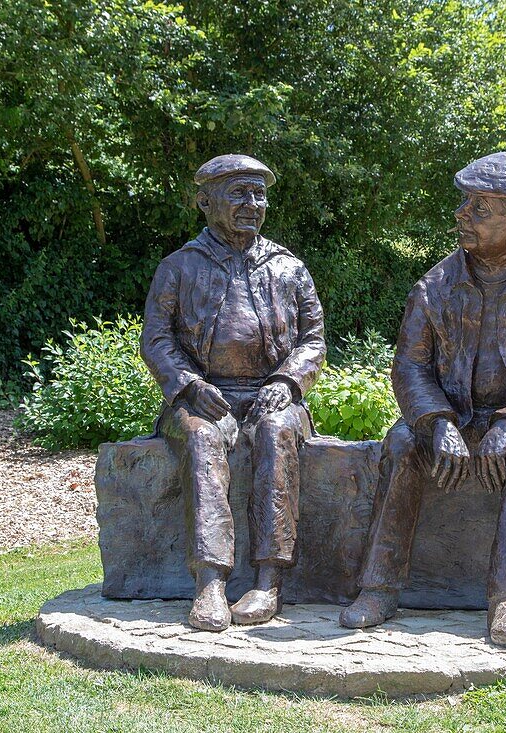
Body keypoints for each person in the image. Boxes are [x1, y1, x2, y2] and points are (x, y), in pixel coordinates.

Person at [338, 152, 506, 649]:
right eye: (465, 203)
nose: (461, 214)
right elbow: (410, 365)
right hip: (447, 417)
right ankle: (379, 587)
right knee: (402, 442)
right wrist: (437, 422)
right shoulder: (437, 285)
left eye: (479, 208)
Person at [140, 154, 326, 631]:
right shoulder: (179, 267)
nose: (253, 204)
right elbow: (157, 339)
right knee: (202, 440)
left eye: (259, 194)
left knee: (277, 434)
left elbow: (313, 339)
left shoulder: (288, 266)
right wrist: (188, 385)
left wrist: (287, 382)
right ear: (205, 201)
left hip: (273, 396)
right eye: (239, 193)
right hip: (205, 398)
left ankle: (267, 583)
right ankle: (209, 583)